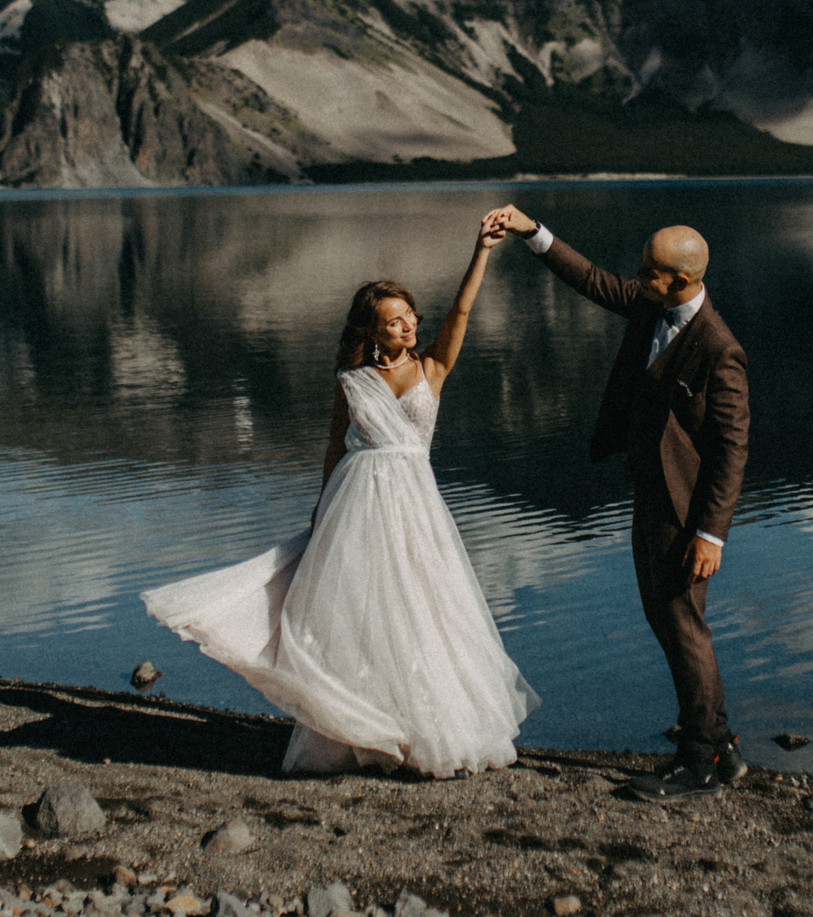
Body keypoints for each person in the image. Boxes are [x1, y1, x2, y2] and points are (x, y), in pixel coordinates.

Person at [140, 213, 536, 777]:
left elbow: (462, 311)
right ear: (371, 332)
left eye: (409, 317)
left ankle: (429, 726)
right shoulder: (350, 382)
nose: (407, 327)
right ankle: (363, 731)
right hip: (358, 507)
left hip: (415, 507)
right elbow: (334, 448)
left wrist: (483, 252)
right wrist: (322, 507)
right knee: (361, 616)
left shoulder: (432, 368)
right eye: (393, 322)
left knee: (425, 610)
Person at [484, 203, 750, 801]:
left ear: (681, 280)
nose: (638, 277)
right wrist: (533, 233)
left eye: (650, 271)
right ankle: (721, 745)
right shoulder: (653, 303)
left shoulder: (718, 347)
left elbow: (732, 449)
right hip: (650, 494)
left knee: (682, 624)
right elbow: (593, 280)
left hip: (684, 513)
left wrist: (711, 534)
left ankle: (699, 761)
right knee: (672, 622)